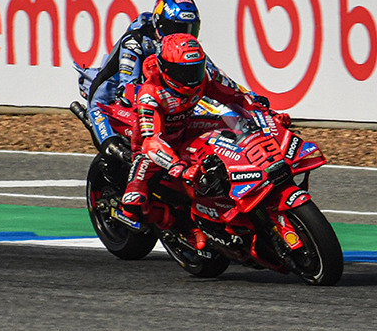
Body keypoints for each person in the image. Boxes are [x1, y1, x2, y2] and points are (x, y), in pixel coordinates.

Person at [114, 33, 290, 243]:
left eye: (195, 69)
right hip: (153, 149)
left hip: (185, 130)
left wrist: (268, 116)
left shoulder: (203, 78)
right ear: (165, 68)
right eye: (183, 71)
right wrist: (179, 167)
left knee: (235, 128)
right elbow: (151, 142)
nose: (190, 77)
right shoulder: (150, 94)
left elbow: (237, 98)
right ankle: (176, 226)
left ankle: (240, 188)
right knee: (133, 203)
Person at [82, 0, 203, 158]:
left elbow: (212, 74)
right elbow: (128, 88)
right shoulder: (135, 42)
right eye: (177, 29)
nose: (183, 36)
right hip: (108, 101)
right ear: (160, 25)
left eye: (190, 30)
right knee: (115, 148)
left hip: (148, 94)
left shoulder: (183, 47)